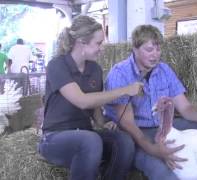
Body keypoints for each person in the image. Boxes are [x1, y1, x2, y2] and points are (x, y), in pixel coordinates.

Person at [104, 24, 197, 180]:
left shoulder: (164, 70)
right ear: (135, 48)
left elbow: (186, 108)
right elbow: (128, 125)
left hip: (164, 127)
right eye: (149, 50)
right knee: (164, 174)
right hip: (137, 134)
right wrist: (154, 150)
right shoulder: (120, 73)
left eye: (158, 49)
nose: (155, 55)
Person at [38, 15, 143, 180]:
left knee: (124, 141)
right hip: (55, 137)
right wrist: (125, 90)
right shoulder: (57, 65)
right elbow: (82, 101)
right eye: (98, 43)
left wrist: (103, 123)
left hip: (86, 133)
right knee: (90, 140)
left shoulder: (94, 69)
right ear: (81, 42)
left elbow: (95, 104)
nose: (102, 48)